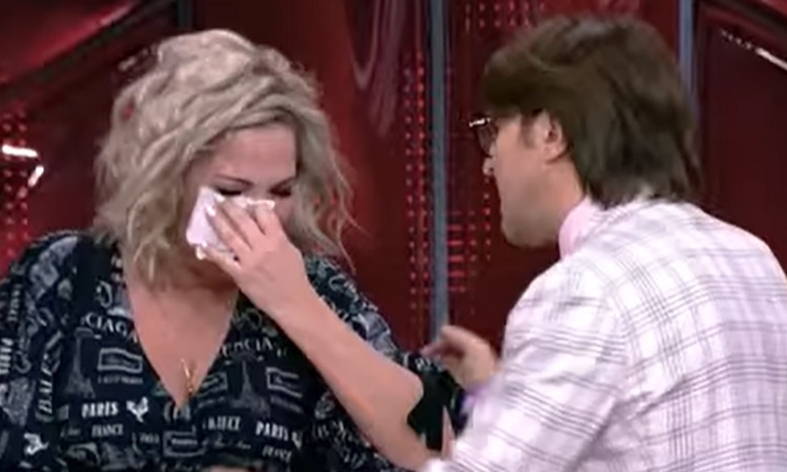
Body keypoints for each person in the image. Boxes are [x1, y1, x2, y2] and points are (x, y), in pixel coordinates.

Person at [0, 29, 464, 472]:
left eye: (281, 191)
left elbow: (434, 449)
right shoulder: (61, 277)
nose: (260, 215)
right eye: (230, 191)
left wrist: (297, 306)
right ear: (165, 179)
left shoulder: (314, 289)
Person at [420, 14, 787, 472]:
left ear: (551, 132)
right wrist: (502, 392)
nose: (488, 164)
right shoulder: (755, 260)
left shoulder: (584, 290)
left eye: (494, 131)